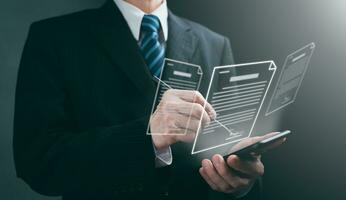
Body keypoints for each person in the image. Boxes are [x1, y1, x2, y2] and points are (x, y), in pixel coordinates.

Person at [13, 0, 284, 199]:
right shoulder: (54, 37)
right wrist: (150, 136)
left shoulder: (214, 43)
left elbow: (230, 146)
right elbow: (39, 163)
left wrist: (241, 180)